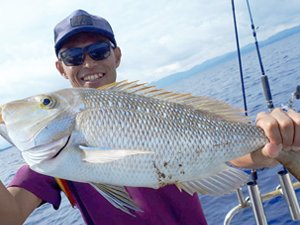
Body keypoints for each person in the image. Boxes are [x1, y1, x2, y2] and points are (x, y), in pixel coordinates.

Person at [0, 9, 299, 225]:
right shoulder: (49, 154)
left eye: (99, 50)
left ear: (116, 55)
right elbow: (9, 214)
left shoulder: (155, 109)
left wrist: (270, 148)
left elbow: (233, 158)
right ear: (61, 69)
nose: (88, 62)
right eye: (73, 57)